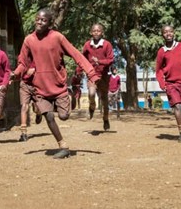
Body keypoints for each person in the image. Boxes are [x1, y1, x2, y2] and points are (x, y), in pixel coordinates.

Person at [12, 9, 100, 159]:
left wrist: (91, 73)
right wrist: (15, 74)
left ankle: (70, 95)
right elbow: (23, 62)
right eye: (38, 19)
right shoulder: (29, 40)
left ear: (50, 23)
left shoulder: (57, 37)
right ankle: (62, 145)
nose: (39, 22)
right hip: (40, 87)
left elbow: (75, 54)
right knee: (49, 116)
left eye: (43, 20)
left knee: (64, 116)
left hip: (58, 85)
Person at [155, 25, 181, 143]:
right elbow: (159, 69)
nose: (168, 34)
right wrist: (163, 83)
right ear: (162, 35)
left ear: (174, 33)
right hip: (171, 83)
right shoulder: (161, 51)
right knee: (176, 106)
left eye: (170, 31)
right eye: (165, 32)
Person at [78, 23, 114, 130]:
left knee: (104, 100)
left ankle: (105, 119)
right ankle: (92, 106)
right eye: (94, 30)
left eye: (98, 31)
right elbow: (82, 59)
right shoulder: (87, 45)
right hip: (92, 74)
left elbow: (111, 59)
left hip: (104, 76)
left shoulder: (107, 44)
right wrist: (79, 70)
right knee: (91, 93)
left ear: (102, 32)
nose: (96, 32)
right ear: (91, 32)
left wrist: (100, 62)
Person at [16, 56, 37, 142]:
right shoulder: (21, 56)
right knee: (24, 106)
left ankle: (38, 112)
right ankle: (23, 133)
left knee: (37, 108)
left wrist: (35, 69)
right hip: (24, 84)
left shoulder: (39, 53)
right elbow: (20, 68)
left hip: (37, 84)